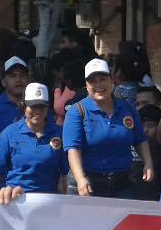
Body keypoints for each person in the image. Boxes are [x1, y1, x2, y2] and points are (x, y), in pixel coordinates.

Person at [64, 57, 155, 199]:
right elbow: (73, 149)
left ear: (112, 81)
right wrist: (80, 178)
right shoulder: (77, 111)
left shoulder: (127, 109)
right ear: (86, 86)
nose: (98, 84)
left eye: (102, 79)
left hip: (122, 183)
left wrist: (148, 163)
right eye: (93, 81)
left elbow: (140, 139)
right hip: (87, 183)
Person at [0, 82, 65, 195]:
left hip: (49, 201)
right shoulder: (9, 133)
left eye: (41, 106)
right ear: (24, 106)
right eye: (33, 106)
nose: (37, 111)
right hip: (15, 200)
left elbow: (65, 173)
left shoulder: (59, 133)